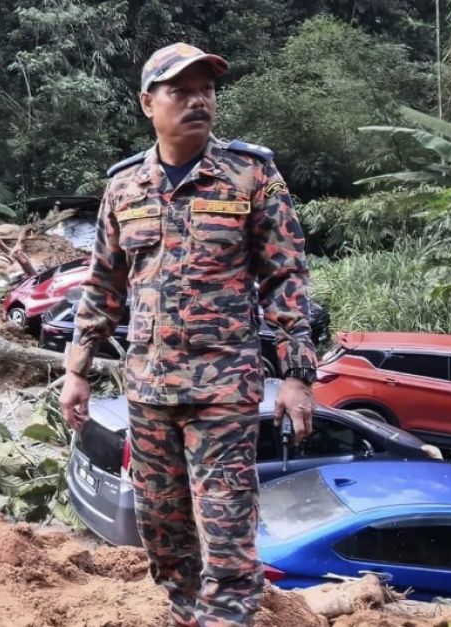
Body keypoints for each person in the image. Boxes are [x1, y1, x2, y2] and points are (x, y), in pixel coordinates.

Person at [60, 42, 317, 627]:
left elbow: (285, 278)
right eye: (181, 90)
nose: (198, 100)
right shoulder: (123, 187)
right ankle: (185, 615)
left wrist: (298, 376)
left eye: (206, 89)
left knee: (226, 531)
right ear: (149, 102)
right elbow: (103, 285)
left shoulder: (252, 175)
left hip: (223, 391)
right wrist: (77, 370)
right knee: (164, 530)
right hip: (149, 392)